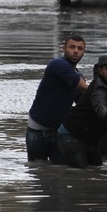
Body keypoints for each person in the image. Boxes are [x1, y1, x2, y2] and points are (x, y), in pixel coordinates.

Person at [26, 35, 88, 163]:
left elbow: (82, 103)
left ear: (83, 52)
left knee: (58, 172)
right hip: (38, 131)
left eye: (80, 48)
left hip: (59, 133)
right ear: (63, 48)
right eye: (72, 47)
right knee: (37, 170)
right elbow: (85, 88)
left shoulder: (78, 76)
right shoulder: (57, 64)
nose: (76, 51)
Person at [58, 53, 107, 168]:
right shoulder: (99, 88)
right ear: (101, 70)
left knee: (96, 170)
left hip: (91, 139)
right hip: (71, 136)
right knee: (81, 173)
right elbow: (100, 105)